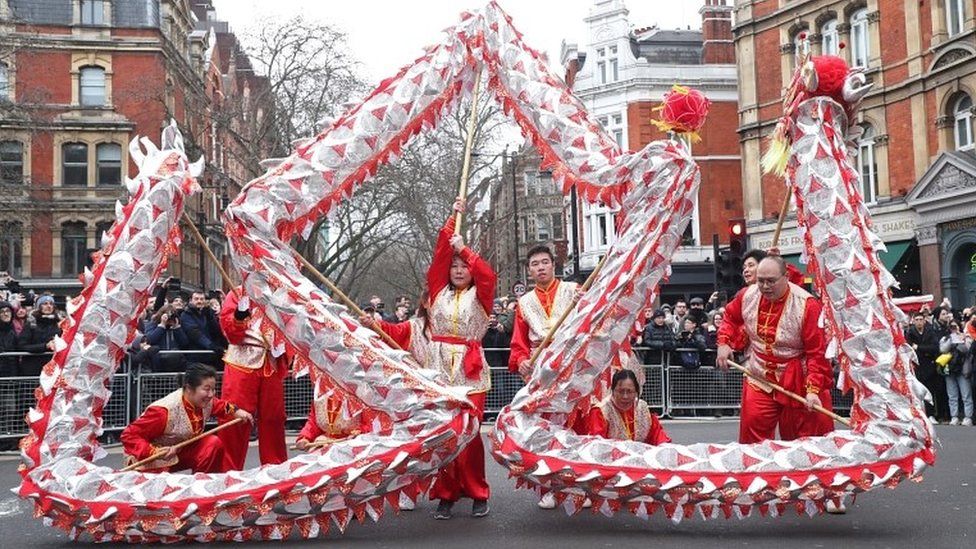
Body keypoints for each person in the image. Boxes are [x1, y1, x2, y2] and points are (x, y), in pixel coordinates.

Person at [367, 199, 495, 520]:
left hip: (470, 370)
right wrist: (454, 216)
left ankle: (478, 491)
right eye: (454, 266)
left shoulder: (481, 296)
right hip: (440, 370)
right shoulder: (438, 292)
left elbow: (488, 274)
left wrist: (465, 250)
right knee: (445, 433)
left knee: (470, 432)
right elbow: (438, 259)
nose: (459, 270)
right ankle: (447, 494)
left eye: (463, 266)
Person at [716, 256, 834, 443]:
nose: (765, 286)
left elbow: (817, 353)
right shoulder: (747, 295)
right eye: (761, 280)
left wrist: (813, 389)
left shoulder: (807, 305)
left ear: (786, 277)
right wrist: (724, 342)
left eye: (771, 281)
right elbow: (730, 317)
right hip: (759, 375)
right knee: (752, 434)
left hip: (798, 379)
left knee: (805, 439)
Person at [120, 362, 253, 473]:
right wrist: (154, 451)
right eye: (207, 389)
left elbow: (221, 406)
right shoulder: (163, 411)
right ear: (189, 388)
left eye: (213, 389)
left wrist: (237, 411)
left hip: (180, 451)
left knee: (212, 444)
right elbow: (129, 436)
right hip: (152, 458)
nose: (211, 394)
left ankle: (202, 488)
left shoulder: (205, 402)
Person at [217, 288, 290, 469]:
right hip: (241, 360)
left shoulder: (283, 294)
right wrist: (240, 316)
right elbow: (230, 332)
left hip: (270, 360)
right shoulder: (237, 292)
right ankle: (229, 471)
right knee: (234, 417)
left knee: (274, 418)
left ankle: (275, 470)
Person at [587, 369, 670, 445]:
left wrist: (665, 447)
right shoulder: (601, 411)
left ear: (636, 392)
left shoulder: (642, 407)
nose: (625, 396)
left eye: (630, 391)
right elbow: (598, 444)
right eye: (620, 391)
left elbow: (658, 435)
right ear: (612, 391)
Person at [906, 312, 945, 424]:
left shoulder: (930, 332)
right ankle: (920, 414)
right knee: (917, 391)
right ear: (913, 321)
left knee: (930, 390)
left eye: (920, 319)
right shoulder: (910, 333)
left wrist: (919, 347)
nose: (919, 322)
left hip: (929, 365)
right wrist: (922, 350)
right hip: (917, 366)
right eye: (916, 319)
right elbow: (909, 348)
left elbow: (934, 348)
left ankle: (931, 414)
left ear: (924, 321)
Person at [938, 320, 973, 426]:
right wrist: (951, 339)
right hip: (950, 369)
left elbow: (967, 349)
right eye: (952, 326)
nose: (954, 328)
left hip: (962, 369)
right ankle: (954, 416)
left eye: (955, 326)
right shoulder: (945, 338)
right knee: (952, 395)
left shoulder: (965, 337)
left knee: (966, 394)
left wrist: (961, 338)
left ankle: (968, 417)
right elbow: (942, 349)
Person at [17, 294, 61, 377]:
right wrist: (45, 346)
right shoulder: (31, 324)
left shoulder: (58, 324)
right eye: (45, 303)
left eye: (51, 304)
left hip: (52, 370)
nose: (49, 306)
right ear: (39, 306)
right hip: (32, 369)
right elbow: (22, 346)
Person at [180, 290, 227, 366]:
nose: (199, 301)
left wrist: (210, 316)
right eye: (196, 299)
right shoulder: (186, 315)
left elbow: (216, 331)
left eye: (202, 299)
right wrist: (211, 346)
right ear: (191, 300)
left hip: (211, 356)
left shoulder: (207, 313)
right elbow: (194, 333)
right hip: (195, 356)